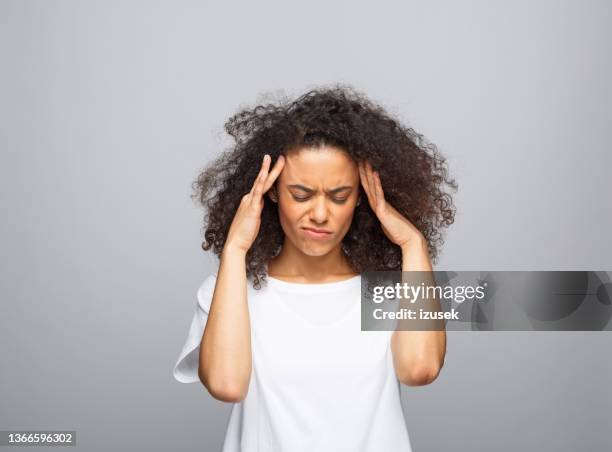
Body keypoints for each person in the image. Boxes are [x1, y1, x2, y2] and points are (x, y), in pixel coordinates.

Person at [173, 84, 457, 451]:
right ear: (272, 191)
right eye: (301, 195)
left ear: (362, 197)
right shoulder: (228, 291)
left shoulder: (388, 292)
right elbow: (226, 385)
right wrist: (235, 249)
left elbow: (420, 370)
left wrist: (413, 244)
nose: (320, 214)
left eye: (339, 196)